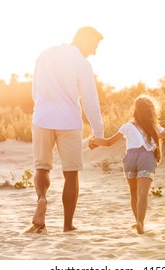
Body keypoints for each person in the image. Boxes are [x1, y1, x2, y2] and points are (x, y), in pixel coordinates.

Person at [25, 26, 104, 234]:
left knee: (42, 168)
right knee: (71, 174)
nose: (94, 51)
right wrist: (98, 132)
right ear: (84, 39)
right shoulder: (82, 64)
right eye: (94, 46)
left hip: (42, 118)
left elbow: (35, 90)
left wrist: (44, 108)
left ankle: (41, 200)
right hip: (68, 122)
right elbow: (90, 101)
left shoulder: (45, 54)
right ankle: (68, 225)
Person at [90, 95, 165, 234]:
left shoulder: (127, 126)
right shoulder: (154, 127)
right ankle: (140, 222)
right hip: (146, 158)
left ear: (135, 111)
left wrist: (94, 141)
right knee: (143, 193)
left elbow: (108, 142)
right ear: (152, 112)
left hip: (130, 158)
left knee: (133, 192)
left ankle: (137, 221)